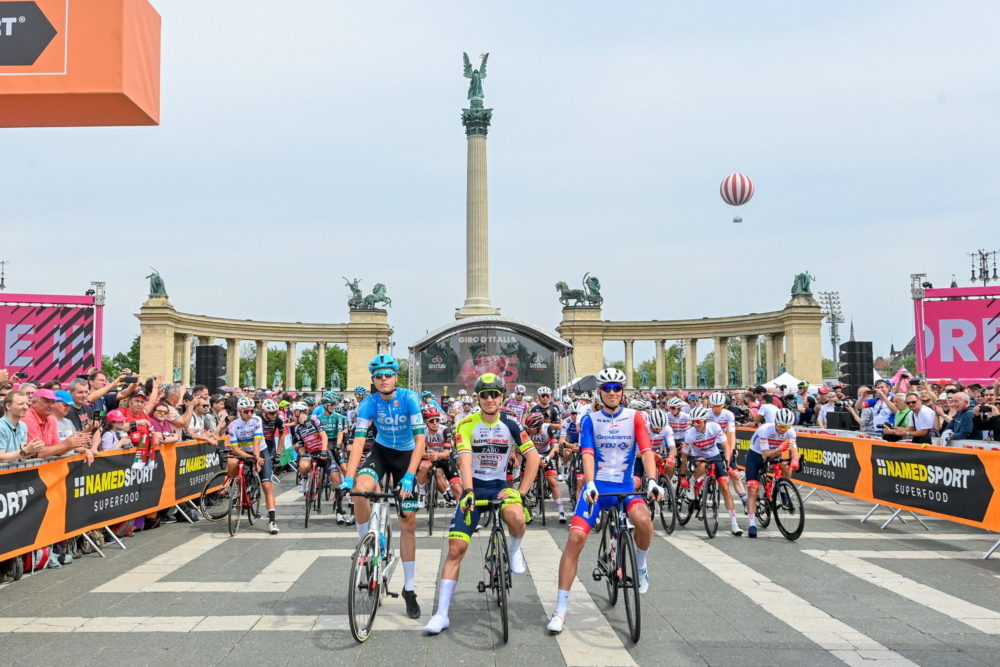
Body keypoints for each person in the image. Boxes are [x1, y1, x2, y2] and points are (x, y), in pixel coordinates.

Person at [546, 368, 662, 635]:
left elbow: (646, 451)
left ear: (623, 392)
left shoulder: (635, 417)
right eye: (607, 388)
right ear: (599, 391)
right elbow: (587, 452)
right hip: (597, 489)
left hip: (623, 487)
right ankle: (560, 609)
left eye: (616, 388)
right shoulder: (590, 419)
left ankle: (641, 566)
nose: (612, 392)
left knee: (644, 521)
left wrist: (652, 480)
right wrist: (588, 484)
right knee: (575, 539)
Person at [423, 373, 538, 635]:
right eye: (484, 394)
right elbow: (464, 460)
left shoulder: (512, 423)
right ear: (477, 398)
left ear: (502, 397)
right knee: (456, 548)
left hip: (499, 486)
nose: (489, 399)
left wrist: (521, 492)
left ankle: (514, 550)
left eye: (494, 394)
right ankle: (441, 614)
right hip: (472, 485)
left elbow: (533, 458)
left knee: (517, 518)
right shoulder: (465, 424)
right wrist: (468, 492)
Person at [340, 354, 426, 619]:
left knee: (407, 522)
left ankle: (409, 588)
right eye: (379, 376)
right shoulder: (369, 403)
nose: (384, 379)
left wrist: (411, 476)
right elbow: (358, 442)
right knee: (361, 489)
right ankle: (364, 542)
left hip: (406, 456)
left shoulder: (409, 398)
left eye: (388, 374)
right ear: (373, 380)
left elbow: (421, 441)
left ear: (395, 377)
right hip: (381, 451)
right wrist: (348, 477)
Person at [682, 406, 743, 537]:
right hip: (698, 456)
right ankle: (693, 482)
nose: (695, 425)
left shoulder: (714, 427)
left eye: (697, 422)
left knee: (725, 488)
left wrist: (727, 461)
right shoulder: (690, 434)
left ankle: (734, 523)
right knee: (703, 464)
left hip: (714, 454)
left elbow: (726, 446)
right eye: (692, 422)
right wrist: (683, 473)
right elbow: (684, 455)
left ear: (705, 421)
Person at [227, 396, 279, 535]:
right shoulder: (233, 425)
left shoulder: (257, 420)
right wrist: (251, 458)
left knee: (267, 486)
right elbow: (235, 449)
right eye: (246, 411)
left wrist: (257, 459)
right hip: (244, 452)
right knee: (232, 462)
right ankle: (236, 485)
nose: (249, 414)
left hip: (260, 451)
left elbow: (256, 443)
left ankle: (272, 521)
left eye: (251, 411)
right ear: (239, 411)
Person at [745, 408, 800, 538]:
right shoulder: (765, 429)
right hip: (756, 455)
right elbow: (765, 455)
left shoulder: (790, 431)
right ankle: (752, 523)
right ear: (775, 422)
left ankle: (782, 488)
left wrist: (795, 460)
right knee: (753, 489)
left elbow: (794, 449)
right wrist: (779, 448)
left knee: (786, 466)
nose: (782, 430)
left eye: (786, 427)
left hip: (774, 451)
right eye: (780, 426)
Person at [523, 411, 568, 522]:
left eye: (531, 429)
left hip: (547, 454)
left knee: (552, 482)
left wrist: (547, 458)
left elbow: (555, 447)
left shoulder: (548, 429)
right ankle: (526, 509)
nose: (529, 431)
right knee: (526, 481)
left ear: (539, 427)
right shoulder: (526, 430)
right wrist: (536, 458)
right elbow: (523, 448)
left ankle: (561, 511)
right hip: (532, 454)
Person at [707, 391, 747, 510]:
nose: (717, 409)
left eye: (719, 406)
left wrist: (732, 448)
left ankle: (744, 500)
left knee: (734, 474)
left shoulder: (728, 414)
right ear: (710, 405)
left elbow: (731, 433)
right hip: (708, 443)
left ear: (724, 405)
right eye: (714, 406)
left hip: (722, 442)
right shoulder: (705, 413)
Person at [0, 391, 45, 463]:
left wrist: (33, 450)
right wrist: (26, 450)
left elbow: (21, 455)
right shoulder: (1, 426)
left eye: (27, 404)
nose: (26, 407)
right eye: (21, 404)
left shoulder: (23, 426)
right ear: (8, 406)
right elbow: (1, 458)